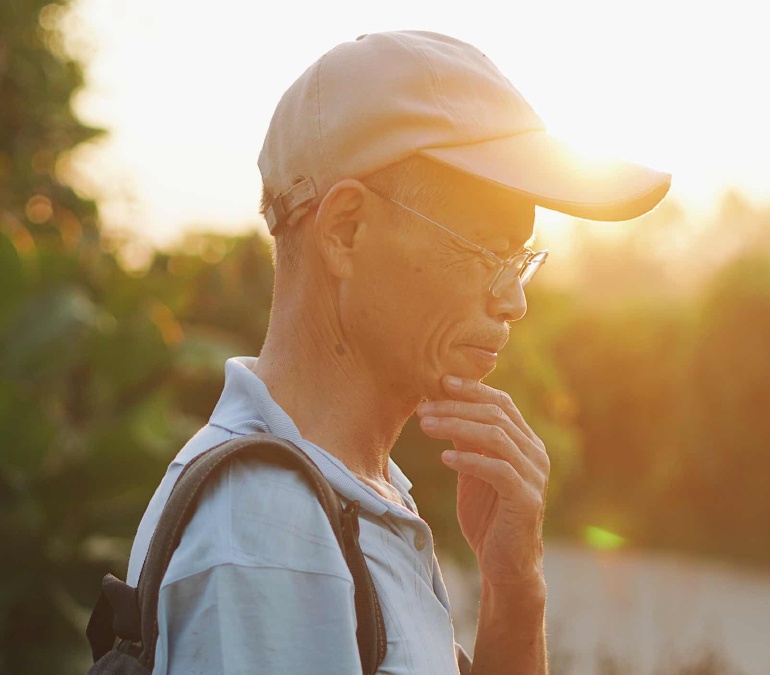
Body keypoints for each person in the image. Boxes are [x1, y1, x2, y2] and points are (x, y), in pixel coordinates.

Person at [122, 30, 670, 674]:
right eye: (486, 250)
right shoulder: (271, 531)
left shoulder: (349, 494)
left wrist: (514, 589)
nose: (512, 301)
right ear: (346, 232)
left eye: (520, 261)